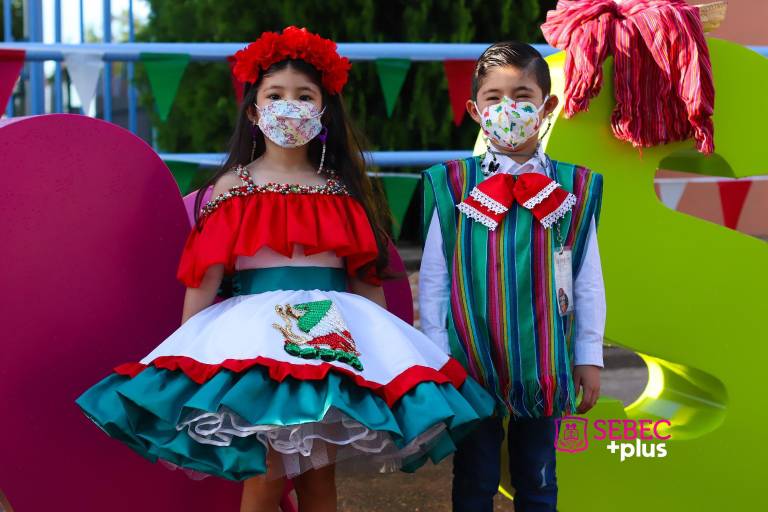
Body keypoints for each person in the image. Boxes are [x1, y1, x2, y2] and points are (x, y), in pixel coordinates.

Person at [75, 26, 494, 512]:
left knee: (320, 479)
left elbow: (364, 279)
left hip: (332, 341)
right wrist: (190, 352)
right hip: (255, 342)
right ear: (255, 111)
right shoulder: (232, 187)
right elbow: (205, 274)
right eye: (275, 95)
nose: (289, 106)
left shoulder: (341, 190)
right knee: (267, 475)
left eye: (304, 96)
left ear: (322, 111)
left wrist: (389, 356)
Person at [418, 41, 606, 512]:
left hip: (544, 361)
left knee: (539, 476)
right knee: (475, 477)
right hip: (470, 359)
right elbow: (435, 279)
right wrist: (435, 355)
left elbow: (585, 276)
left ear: (548, 106)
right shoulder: (453, 184)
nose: (509, 109)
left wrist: (588, 354)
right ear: (474, 110)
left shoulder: (574, 187)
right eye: (494, 98)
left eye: (523, 97)